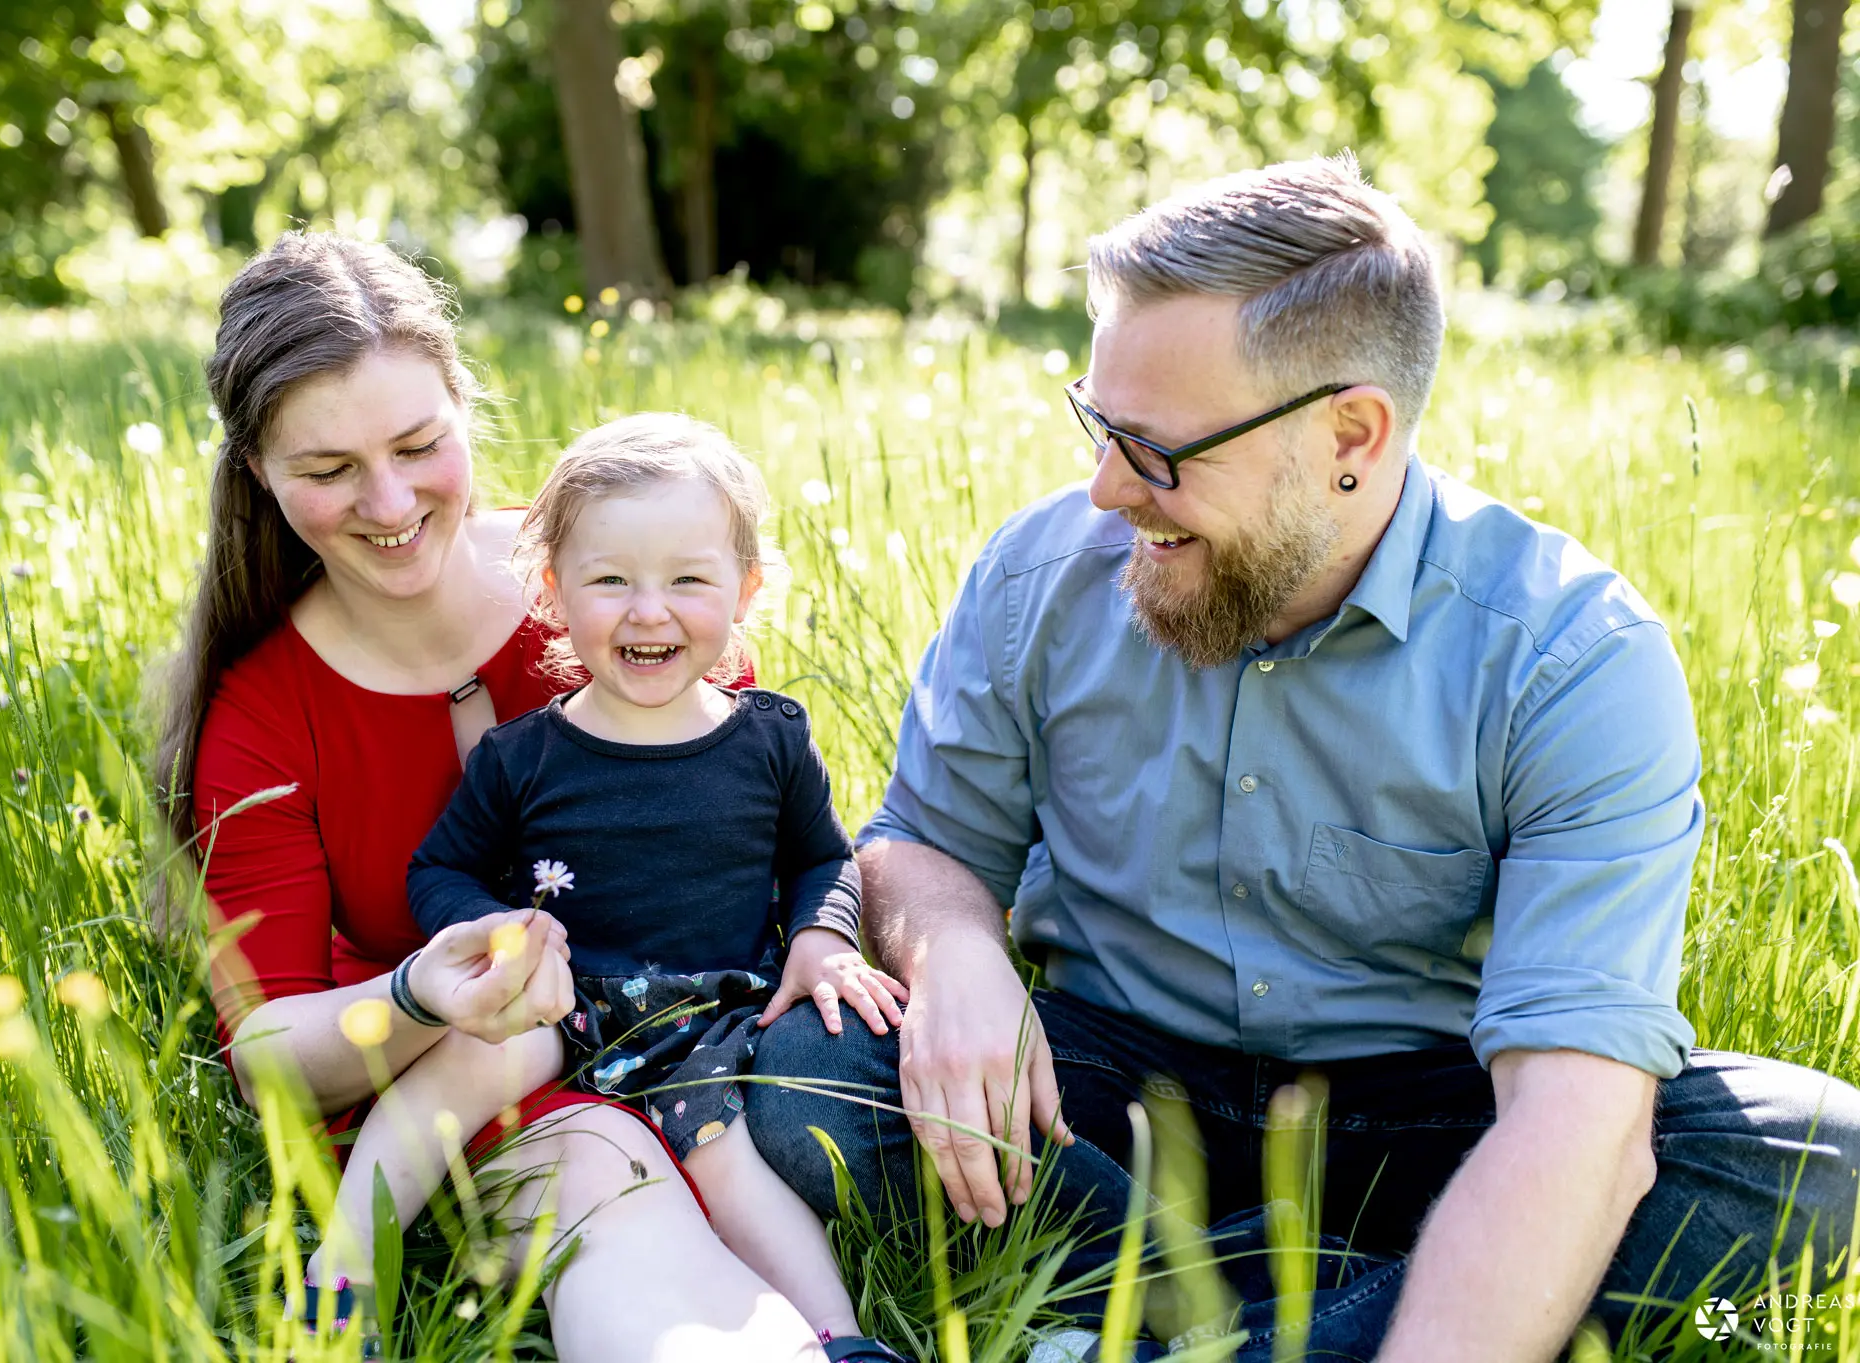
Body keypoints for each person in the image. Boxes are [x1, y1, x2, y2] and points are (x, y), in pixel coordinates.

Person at [745, 153, 1860, 1362]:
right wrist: (955, 946)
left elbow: (1573, 1111)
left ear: (1350, 433)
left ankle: (1185, 1317)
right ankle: (1358, 1298)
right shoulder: (1038, 574)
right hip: (1101, 1088)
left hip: (1427, 1109)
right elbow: (921, 838)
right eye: (1098, 424)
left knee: (1809, 1159)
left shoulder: (1566, 655)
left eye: (1157, 450)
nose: (1106, 487)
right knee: (814, 1067)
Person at [155, 230, 838, 1363]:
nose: (388, 501)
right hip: (491, 1093)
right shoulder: (267, 710)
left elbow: (770, 824)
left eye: (419, 444)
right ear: (259, 475)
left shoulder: (614, 575)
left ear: (467, 411)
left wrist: (837, 933)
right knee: (639, 1252)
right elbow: (266, 1048)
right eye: (326, 471)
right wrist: (419, 995)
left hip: (701, 1044)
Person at [383, 413, 912, 1363]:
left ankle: (838, 1338)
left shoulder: (770, 740)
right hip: (566, 1015)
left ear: (747, 589)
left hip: (710, 1026)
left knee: (728, 1162)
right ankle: (356, 1249)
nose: (649, 611)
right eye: (611, 579)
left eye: (689, 579)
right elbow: (441, 867)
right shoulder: (523, 758)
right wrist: (491, 928)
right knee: (472, 1066)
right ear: (553, 592)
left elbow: (823, 858)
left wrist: (822, 935)